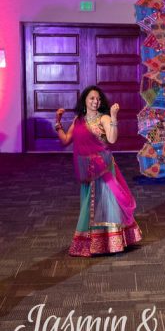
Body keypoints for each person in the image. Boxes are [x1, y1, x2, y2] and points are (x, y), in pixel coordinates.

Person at [54, 86, 142, 257]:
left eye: (98, 99)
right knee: (89, 205)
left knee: (108, 202)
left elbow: (112, 139)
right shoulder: (78, 120)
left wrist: (114, 117)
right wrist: (58, 121)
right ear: (85, 101)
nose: (95, 101)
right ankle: (93, 241)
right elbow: (65, 140)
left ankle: (112, 242)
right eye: (92, 98)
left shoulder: (104, 118)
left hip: (103, 166)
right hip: (86, 169)